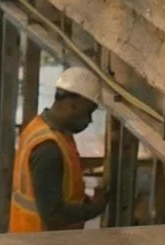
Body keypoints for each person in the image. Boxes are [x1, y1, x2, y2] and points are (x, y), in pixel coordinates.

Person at [9, 65, 109, 232]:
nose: (89, 120)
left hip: (31, 239)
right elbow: (54, 215)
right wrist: (95, 209)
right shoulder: (48, 149)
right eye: (88, 111)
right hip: (41, 244)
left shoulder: (45, 129)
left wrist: (84, 201)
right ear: (73, 103)